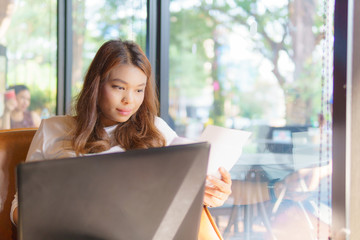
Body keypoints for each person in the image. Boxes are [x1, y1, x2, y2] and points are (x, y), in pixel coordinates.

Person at [10, 39, 232, 227]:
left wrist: (212, 193)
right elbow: (19, 206)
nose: (130, 100)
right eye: (119, 87)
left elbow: (180, 197)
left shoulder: (156, 129)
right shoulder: (52, 129)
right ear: (96, 85)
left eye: (139, 90)